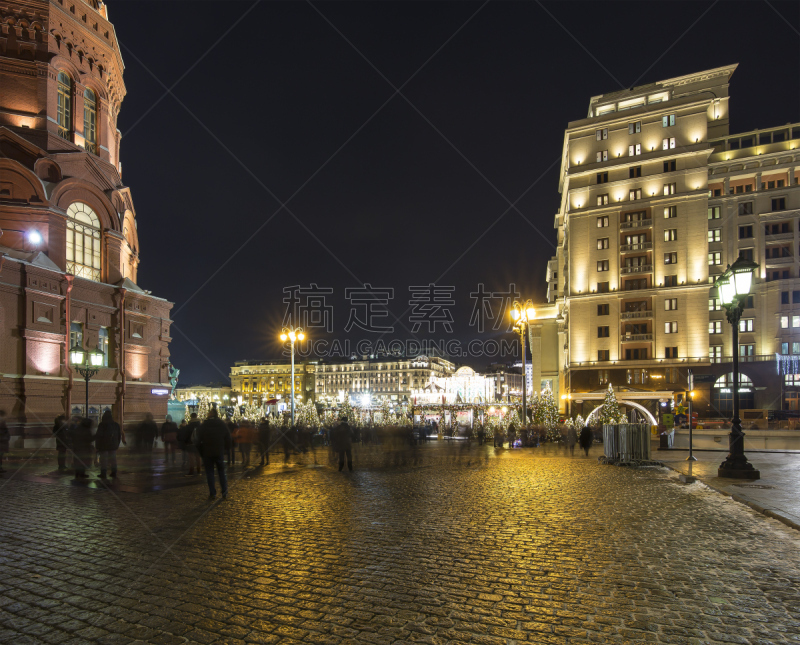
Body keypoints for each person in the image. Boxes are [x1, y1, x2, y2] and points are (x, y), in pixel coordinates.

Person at [196, 408, 231, 500]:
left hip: (207, 452)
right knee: (221, 472)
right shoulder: (221, 424)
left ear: (210, 414)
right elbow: (228, 437)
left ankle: (212, 493)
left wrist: (201, 452)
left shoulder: (204, 424)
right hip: (219, 451)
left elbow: (198, 440)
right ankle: (224, 491)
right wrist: (225, 449)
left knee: (210, 473)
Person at [95, 410, 124, 478]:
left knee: (104, 460)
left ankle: (103, 473)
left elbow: (98, 436)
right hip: (113, 445)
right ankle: (114, 472)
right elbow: (119, 436)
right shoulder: (116, 425)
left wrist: (97, 446)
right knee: (113, 459)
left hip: (103, 445)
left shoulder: (102, 424)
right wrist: (117, 444)